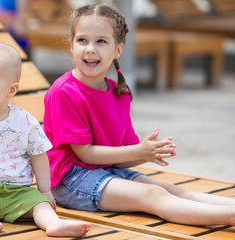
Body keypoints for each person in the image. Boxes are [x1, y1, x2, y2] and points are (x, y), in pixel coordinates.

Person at [43, 3, 235, 226]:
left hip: (105, 171)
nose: (90, 49)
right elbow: (85, 154)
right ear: (71, 45)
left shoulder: (118, 93)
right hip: (71, 180)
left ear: (118, 50)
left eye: (101, 41)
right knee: (153, 196)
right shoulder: (65, 91)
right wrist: (139, 151)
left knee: (173, 191)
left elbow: (121, 159)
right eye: (82, 40)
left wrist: (146, 154)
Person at [0, 42, 91, 237]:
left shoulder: (25, 121)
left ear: (11, 90)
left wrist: (44, 190)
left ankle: (53, 224)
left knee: (41, 204)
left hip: (17, 192)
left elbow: (39, 155)